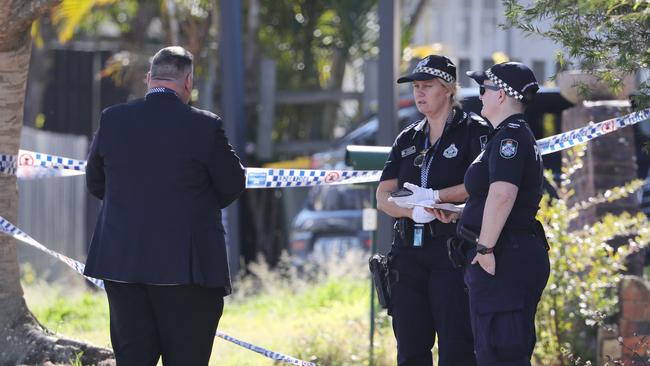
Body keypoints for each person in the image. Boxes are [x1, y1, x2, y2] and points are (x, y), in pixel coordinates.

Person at [84, 46, 245, 366]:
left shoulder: (112, 120)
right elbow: (232, 185)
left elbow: (96, 183)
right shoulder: (205, 125)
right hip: (188, 271)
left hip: (123, 266)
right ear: (188, 82)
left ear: (148, 79)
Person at [376, 54, 491, 366]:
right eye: (416, 86)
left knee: (456, 346)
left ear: (449, 89)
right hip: (408, 250)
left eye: (427, 85)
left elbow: (480, 185)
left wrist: (438, 198)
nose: (419, 93)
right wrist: (412, 211)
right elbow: (383, 195)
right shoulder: (408, 136)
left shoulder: (473, 131)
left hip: (451, 249)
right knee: (410, 346)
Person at [457, 62, 550, 365]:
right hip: (508, 249)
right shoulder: (508, 135)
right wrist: (460, 214)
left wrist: (484, 247)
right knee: (494, 349)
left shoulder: (510, 137)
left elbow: (503, 194)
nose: (479, 95)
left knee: (500, 353)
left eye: (484, 88)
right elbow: (493, 197)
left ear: (500, 96)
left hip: (504, 254)